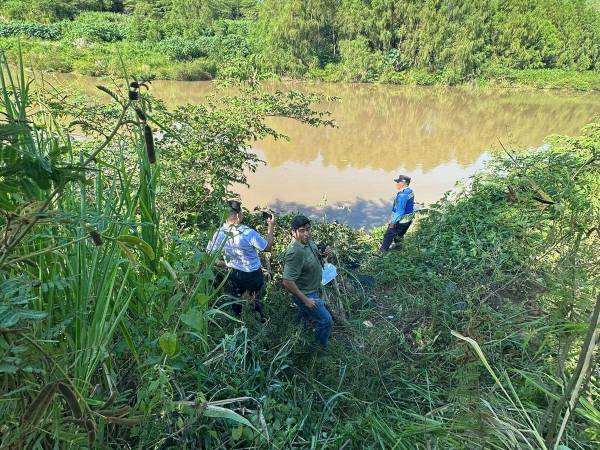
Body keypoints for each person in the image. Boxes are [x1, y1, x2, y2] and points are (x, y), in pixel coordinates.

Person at [206, 200, 275, 322]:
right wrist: (271, 226)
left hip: (233, 273)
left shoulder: (218, 233)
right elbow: (267, 247)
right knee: (256, 297)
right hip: (253, 275)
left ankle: (237, 319)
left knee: (235, 296)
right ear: (238, 215)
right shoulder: (248, 233)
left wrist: (224, 263)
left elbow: (209, 254)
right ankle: (260, 318)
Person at [281, 215, 332, 349]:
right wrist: (306, 300)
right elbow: (287, 281)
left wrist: (323, 255)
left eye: (308, 229)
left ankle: (296, 335)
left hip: (313, 288)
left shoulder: (308, 242)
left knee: (303, 316)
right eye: (302, 230)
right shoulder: (294, 252)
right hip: (306, 294)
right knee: (326, 320)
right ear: (293, 232)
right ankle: (319, 349)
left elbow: (314, 256)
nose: (307, 233)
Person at [380, 174, 414, 252]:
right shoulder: (410, 191)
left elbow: (399, 212)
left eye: (397, 182)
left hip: (401, 221)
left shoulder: (402, 195)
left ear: (402, 183)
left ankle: (381, 252)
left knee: (388, 235)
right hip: (408, 220)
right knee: (399, 235)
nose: (396, 184)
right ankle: (398, 247)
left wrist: (393, 222)